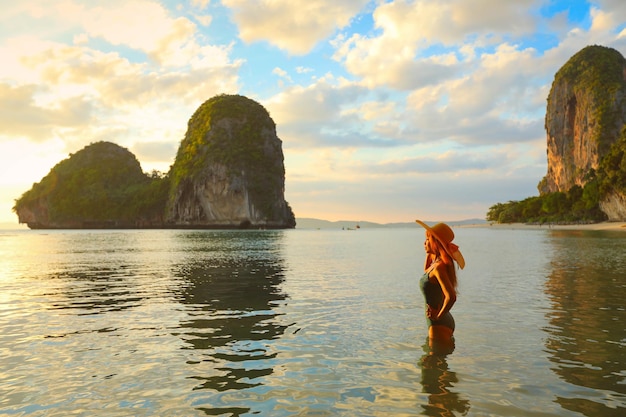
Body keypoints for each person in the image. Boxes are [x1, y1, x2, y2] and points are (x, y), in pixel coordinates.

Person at [415, 220, 465, 349]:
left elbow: (451, 296)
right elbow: (426, 271)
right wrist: (431, 252)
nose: (424, 243)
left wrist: (438, 316)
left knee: (431, 365)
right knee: (436, 363)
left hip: (438, 323)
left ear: (435, 243)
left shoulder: (439, 268)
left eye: (427, 240)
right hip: (440, 320)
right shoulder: (436, 265)